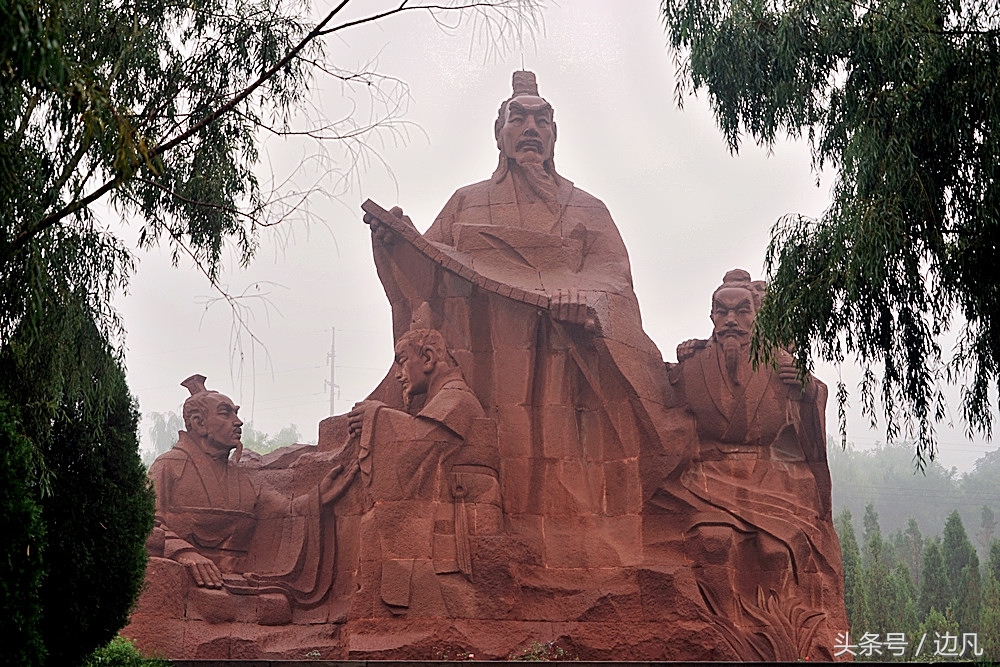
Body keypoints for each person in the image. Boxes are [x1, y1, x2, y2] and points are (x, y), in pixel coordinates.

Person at [662, 270, 845, 660]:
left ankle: (774, 634)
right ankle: (725, 626)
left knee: (775, 550)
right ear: (711, 316)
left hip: (768, 476)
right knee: (714, 541)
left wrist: (807, 389)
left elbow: (809, 417)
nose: (731, 320)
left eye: (742, 311)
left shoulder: (782, 367)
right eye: (722, 311)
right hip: (708, 477)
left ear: (756, 315)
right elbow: (659, 405)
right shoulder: (692, 365)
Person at [147, 375, 355, 605]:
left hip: (241, 582)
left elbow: (286, 514)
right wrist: (185, 554)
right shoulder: (168, 467)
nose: (238, 422)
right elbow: (144, 525)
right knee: (215, 607)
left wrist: (318, 498)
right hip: (190, 580)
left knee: (276, 607)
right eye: (225, 413)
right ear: (198, 423)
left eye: (236, 413)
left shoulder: (244, 477)